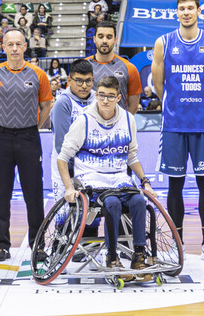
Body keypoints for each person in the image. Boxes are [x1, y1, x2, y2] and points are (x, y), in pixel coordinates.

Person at [152, 0, 204, 264]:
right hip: (173, 125)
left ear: (199, 12)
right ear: (176, 13)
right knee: (175, 185)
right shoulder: (163, 43)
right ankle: (177, 243)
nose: (186, 12)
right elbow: (158, 84)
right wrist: (175, 103)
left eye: (190, 8)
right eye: (181, 8)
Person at [55, 76, 157, 271]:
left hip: (119, 179)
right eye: (101, 95)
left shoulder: (128, 119)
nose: (105, 100)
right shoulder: (83, 120)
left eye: (110, 96)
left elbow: (132, 157)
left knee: (138, 201)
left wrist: (145, 182)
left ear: (118, 98)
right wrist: (69, 188)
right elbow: (62, 157)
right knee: (112, 203)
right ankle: (112, 255)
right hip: (92, 180)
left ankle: (139, 254)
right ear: (96, 95)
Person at [0, 28, 54, 262]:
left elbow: (46, 106)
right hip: (1, 138)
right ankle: (1, 246)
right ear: (3, 47)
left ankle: (38, 245)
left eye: (18, 44)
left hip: (29, 138)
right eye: (10, 44)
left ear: (25, 47)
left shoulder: (38, 74)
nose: (14, 48)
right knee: (0, 194)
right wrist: (4, 124)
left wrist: (31, 126)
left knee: (33, 195)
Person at [50, 59, 95, 198]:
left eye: (88, 81)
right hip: (66, 167)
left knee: (91, 216)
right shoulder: (63, 103)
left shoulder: (97, 100)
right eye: (79, 81)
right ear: (69, 79)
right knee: (66, 216)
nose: (84, 86)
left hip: (90, 166)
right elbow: (61, 144)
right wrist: (71, 175)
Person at [88, 21, 141, 113]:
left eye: (109, 37)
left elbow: (134, 105)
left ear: (115, 40)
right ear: (94, 39)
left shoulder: (129, 68)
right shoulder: (82, 66)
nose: (104, 41)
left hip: (118, 126)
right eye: (100, 37)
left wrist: (121, 123)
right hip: (89, 124)